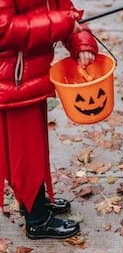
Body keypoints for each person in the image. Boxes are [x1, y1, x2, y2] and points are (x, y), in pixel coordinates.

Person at [0, 0, 97, 239]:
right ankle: (37, 219)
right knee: (25, 152)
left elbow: (66, 12)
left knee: (34, 149)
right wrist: (62, 23)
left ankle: (37, 202)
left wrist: (82, 43)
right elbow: (5, 28)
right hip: (12, 79)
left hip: (28, 76)